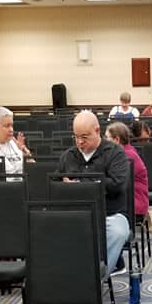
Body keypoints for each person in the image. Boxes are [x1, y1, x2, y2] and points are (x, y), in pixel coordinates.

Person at [56, 110, 130, 274]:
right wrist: (67, 185)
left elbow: (116, 185)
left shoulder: (115, 153)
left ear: (97, 131)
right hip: (74, 215)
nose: (80, 142)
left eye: (84, 137)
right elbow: (55, 183)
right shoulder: (68, 156)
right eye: (76, 137)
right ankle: (68, 274)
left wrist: (80, 184)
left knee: (118, 232)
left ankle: (96, 276)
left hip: (110, 214)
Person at [105, 121, 148, 221]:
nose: (104, 141)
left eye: (107, 137)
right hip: (126, 200)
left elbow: (115, 181)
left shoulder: (127, 156)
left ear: (116, 140)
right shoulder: (123, 152)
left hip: (134, 203)